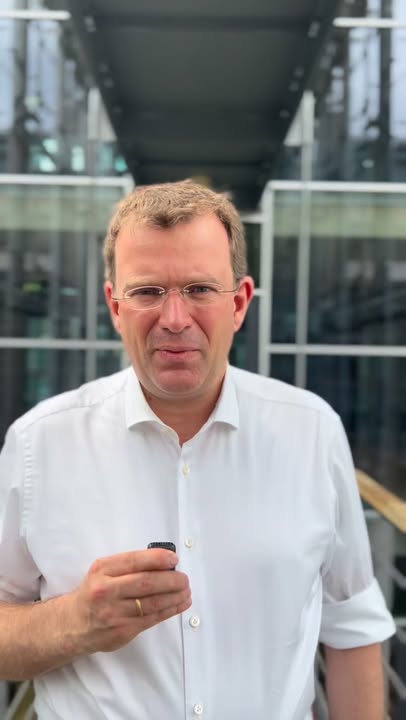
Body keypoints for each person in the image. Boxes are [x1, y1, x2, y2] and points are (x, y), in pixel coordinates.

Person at [0, 180, 395, 719]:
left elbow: (351, 626)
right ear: (115, 306)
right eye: (147, 292)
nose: (175, 318)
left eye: (199, 289)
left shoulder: (312, 432)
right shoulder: (38, 444)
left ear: (240, 302)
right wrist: (74, 622)